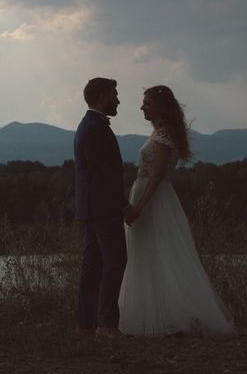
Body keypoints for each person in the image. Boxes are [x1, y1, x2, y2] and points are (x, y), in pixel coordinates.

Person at [118, 85, 235, 336]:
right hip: (154, 199)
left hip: (154, 202)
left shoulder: (163, 137)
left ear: (161, 107)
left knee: (158, 253)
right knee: (148, 253)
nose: (142, 107)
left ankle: (165, 317)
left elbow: (158, 174)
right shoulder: (160, 133)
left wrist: (139, 206)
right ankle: (153, 315)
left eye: (147, 103)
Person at [74, 78, 139, 338]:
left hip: (92, 207)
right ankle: (107, 324)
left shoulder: (89, 125)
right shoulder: (94, 128)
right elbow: (102, 174)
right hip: (103, 209)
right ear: (102, 97)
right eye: (114, 95)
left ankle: (85, 324)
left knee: (93, 265)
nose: (118, 100)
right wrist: (124, 206)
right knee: (115, 261)